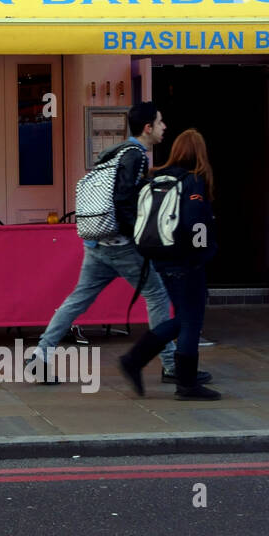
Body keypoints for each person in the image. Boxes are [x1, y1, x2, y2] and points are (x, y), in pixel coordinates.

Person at [32, 102, 202, 384]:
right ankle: (171, 365)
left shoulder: (115, 152)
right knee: (157, 296)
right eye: (160, 122)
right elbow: (123, 201)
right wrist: (140, 237)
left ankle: (40, 355)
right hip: (121, 244)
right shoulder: (136, 156)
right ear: (148, 128)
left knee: (77, 301)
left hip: (97, 243)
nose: (164, 127)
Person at [118, 129, 221, 400]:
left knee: (183, 318)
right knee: (191, 321)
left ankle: (137, 360)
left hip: (160, 257)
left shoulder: (156, 177)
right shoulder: (193, 181)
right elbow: (194, 223)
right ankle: (185, 383)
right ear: (200, 153)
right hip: (186, 262)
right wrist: (201, 255)